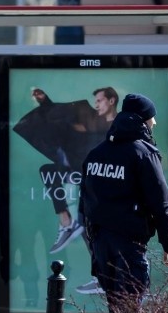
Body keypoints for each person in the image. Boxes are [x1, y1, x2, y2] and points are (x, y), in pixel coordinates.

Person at [79, 93, 168, 313]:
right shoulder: (143, 153)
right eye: (152, 117)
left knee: (116, 308)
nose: (155, 122)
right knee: (129, 310)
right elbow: (160, 202)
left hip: (102, 244)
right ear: (143, 119)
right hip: (129, 243)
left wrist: (94, 241)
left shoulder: (96, 153)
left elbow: (85, 202)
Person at [13, 87, 119, 254]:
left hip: (104, 181)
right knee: (48, 171)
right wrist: (45, 102)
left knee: (91, 225)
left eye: (99, 101)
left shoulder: (119, 125)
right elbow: (62, 114)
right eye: (95, 101)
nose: (96, 105)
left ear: (111, 101)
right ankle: (66, 221)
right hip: (81, 172)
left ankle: (101, 272)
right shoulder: (90, 118)